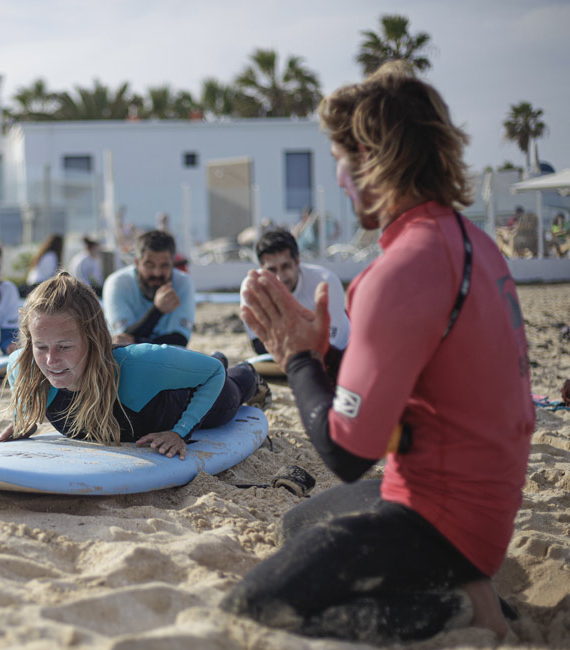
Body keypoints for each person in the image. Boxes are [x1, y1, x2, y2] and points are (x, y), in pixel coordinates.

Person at [223, 62, 534, 643]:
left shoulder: (401, 269)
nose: (338, 177)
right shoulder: (474, 243)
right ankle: (468, 585)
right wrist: (324, 353)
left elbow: (347, 453)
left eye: (341, 159)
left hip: (443, 519)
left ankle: (462, 609)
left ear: (369, 158)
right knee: (301, 522)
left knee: (256, 605)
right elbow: (402, 406)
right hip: (485, 501)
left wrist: (296, 359)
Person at [0, 273, 267, 458]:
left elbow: (212, 374)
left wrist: (179, 431)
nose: (50, 362)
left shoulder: (137, 363)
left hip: (195, 400)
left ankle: (248, 374)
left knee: (231, 379)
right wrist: (21, 420)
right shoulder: (23, 365)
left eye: (64, 347)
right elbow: (20, 362)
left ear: (94, 340)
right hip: (170, 374)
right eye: (41, 347)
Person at [243, 229, 349, 355]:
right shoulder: (251, 288)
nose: (279, 278)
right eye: (272, 270)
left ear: (298, 261)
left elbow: (330, 343)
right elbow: (259, 345)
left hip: (342, 350)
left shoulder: (325, 281)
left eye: (285, 266)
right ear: (261, 268)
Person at [102, 230, 194, 346]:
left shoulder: (183, 282)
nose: (157, 273)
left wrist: (136, 341)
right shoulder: (117, 283)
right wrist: (157, 310)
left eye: (164, 265)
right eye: (149, 265)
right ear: (136, 263)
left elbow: (180, 340)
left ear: (172, 264)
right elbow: (122, 341)